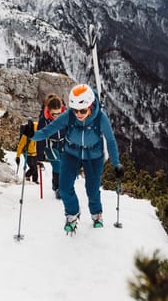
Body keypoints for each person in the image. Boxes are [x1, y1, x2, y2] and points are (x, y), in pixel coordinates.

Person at [22, 83, 124, 232]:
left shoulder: (100, 118)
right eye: (75, 110)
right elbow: (47, 131)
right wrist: (31, 134)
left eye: (82, 110)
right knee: (64, 189)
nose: (79, 114)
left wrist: (117, 164)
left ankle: (96, 214)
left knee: (92, 189)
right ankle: (72, 214)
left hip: (93, 156)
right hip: (71, 154)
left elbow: (110, 141)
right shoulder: (69, 116)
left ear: (90, 105)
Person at [36, 93, 67, 199]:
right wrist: (39, 156)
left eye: (59, 113)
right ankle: (59, 188)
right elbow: (40, 137)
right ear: (49, 111)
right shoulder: (44, 120)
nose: (57, 117)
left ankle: (56, 183)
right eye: (54, 114)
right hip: (50, 144)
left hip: (63, 142)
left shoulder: (66, 115)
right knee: (57, 164)